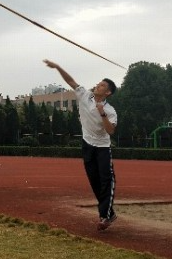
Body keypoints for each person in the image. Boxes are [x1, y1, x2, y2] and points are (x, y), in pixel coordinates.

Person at [43, 59, 118, 231]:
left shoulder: (111, 110)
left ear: (107, 93)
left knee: (106, 180)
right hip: (87, 145)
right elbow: (70, 81)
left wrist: (103, 114)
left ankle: (105, 216)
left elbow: (110, 131)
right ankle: (110, 213)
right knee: (94, 181)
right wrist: (58, 66)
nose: (98, 85)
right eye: (98, 83)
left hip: (102, 148)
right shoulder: (84, 95)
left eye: (102, 85)